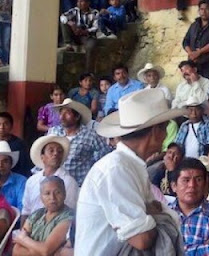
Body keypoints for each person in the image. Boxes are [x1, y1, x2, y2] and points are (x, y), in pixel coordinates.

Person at [76, 89, 185, 255]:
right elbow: (142, 239)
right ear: (156, 131)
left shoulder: (129, 166)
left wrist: (149, 213)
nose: (166, 137)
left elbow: (155, 210)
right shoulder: (116, 169)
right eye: (165, 129)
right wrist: (151, 213)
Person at [169, 157, 209, 256]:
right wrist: (203, 247)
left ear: (205, 185)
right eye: (186, 180)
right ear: (174, 186)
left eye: (199, 179)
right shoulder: (166, 213)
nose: (192, 185)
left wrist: (176, 250)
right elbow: (159, 250)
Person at [48, 98, 113, 186]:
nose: (62, 117)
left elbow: (105, 158)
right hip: (53, 184)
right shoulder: (53, 132)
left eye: (67, 113)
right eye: (61, 113)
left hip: (78, 185)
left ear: (77, 117)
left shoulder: (90, 136)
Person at [21, 135, 78, 225]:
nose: (55, 154)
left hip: (56, 229)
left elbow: (69, 214)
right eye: (51, 150)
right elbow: (26, 211)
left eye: (59, 152)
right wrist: (22, 233)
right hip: (30, 228)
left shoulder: (68, 182)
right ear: (42, 157)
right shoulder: (32, 181)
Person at [13, 176, 74, 256]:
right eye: (47, 193)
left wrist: (23, 239)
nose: (52, 198)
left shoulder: (69, 217)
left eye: (57, 192)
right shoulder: (36, 215)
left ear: (64, 194)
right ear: (41, 197)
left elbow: (46, 250)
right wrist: (45, 251)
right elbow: (16, 250)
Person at [182, 0, 209, 80]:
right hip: (193, 62)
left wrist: (199, 52)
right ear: (199, 11)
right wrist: (191, 54)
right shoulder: (194, 25)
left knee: (207, 85)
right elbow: (185, 41)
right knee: (193, 84)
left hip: (208, 63)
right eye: (201, 9)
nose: (204, 12)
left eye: (206, 9)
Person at [59, 0, 99, 70]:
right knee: (64, 22)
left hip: (88, 36)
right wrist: (70, 23)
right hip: (76, 34)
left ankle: (88, 71)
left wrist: (85, 31)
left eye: (81, 1)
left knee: (90, 48)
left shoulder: (94, 13)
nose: (79, 3)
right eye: (78, 1)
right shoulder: (75, 10)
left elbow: (96, 27)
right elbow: (62, 17)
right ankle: (68, 43)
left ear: (87, 3)